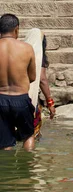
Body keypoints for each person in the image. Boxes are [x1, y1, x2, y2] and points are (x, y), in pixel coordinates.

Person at [0, 14, 36, 151]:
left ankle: (7, 171)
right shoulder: (27, 48)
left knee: (5, 142)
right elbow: (32, 77)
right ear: (16, 30)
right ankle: (27, 167)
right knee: (28, 135)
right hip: (20, 99)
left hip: (0, 99)